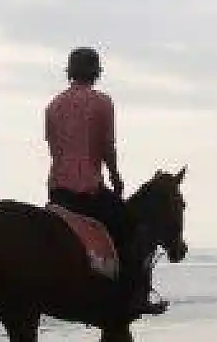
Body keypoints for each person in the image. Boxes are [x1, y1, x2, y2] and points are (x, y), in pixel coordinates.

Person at [46, 46, 167, 319]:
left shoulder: (52, 106)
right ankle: (134, 297)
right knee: (133, 228)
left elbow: (55, 149)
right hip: (87, 190)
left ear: (70, 73)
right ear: (95, 73)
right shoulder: (102, 102)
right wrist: (115, 177)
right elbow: (106, 147)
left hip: (58, 192)